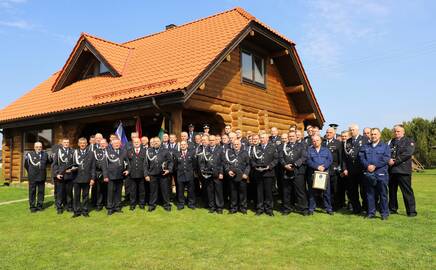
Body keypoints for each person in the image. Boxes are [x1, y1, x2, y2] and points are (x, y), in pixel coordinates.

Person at [359, 128, 391, 220]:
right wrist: (367, 165)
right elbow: (361, 157)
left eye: (375, 134)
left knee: (383, 194)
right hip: (369, 173)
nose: (373, 136)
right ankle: (371, 213)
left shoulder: (385, 146)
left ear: (379, 135)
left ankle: (384, 213)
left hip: (381, 174)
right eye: (372, 134)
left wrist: (375, 166)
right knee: (370, 194)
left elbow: (386, 158)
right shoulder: (365, 146)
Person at [388, 125, 417, 217]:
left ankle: (411, 211)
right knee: (392, 191)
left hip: (403, 170)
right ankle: (392, 208)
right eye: (395, 131)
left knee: (407, 191)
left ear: (403, 132)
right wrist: (388, 160)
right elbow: (386, 152)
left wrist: (395, 161)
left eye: (398, 131)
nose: (396, 133)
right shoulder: (391, 142)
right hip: (392, 170)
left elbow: (408, 153)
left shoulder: (409, 141)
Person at [279, 131, 308, 215]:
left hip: (298, 171)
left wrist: (295, 164)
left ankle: (303, 209)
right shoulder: (284, 146)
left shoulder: (301, 145)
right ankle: (287, 208)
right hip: (286, 171)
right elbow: (280, 157)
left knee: (300, 191)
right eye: (290, 136)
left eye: (293, 136)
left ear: (296, 137)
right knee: (286, 191)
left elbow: (304, 157)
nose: (291, 137)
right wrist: (285, 165)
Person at [342, 124, 369, 214]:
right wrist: (345, 168)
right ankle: (356, 208)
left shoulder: (364, 140)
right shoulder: (347, 141)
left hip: (361, 169)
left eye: (353, 130)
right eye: (350, 130)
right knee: (352, 191)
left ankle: (365, 208)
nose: (352, 131)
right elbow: (344, 157)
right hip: (351, 169)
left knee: (363, 190)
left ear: (357, 130)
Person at [250, 133, 278, 216]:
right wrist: (255, 166)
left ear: (267, 139)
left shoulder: (272, 147)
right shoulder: (255, 148)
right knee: (259, 192)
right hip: (258, 173)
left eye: (263, 138)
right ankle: (260, 209)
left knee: (268, 192)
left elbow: (276, 159)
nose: (261, 139)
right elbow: (252, 159)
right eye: (260, 138)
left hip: (268, 173)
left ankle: (269, 209)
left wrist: (269, 166)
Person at [144, 137, 173, 212]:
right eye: (154, 141)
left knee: (165, 191)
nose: (156, 142)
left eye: (157, 141)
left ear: (160, 142)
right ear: (152, 142)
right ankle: (152, 205)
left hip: (163, 174)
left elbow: (170, 161)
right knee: (153, 191)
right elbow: (145, 164)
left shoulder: (165, 150)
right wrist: (146, 174)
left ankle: (166, 205)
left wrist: (169, 170)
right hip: (152, 174)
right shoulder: (149, 151)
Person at [306, 135, 334, 215]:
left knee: (326, 192)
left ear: (320, 141)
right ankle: (311, 208)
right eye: (314, 141)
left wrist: (324, 166)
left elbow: (330, 159)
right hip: (313, 173)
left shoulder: (326, 150)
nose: (315, 142)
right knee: (312, 192)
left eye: (317, 140)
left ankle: (328, 208)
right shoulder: (309, 150)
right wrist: (317, 166)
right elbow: (308, 161)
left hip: (324, 173)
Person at [103, 138, 130, 215]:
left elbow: (128, 162)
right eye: (115, 143)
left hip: (120, 176)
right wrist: (105, 176)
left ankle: (117, 207)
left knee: (118, 192)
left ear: (120, 144)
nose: (116, 144)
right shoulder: (107, 152)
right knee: (111, 192)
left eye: (118, 143)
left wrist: (128, 170)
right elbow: (104, 165)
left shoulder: (123, 151)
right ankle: (110, 208)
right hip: (110, 176)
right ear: (112, 144)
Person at [198, 135, 224, 214]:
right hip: (208, 174)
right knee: (210, 191)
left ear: (216, 141)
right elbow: (202, 162)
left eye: (213, 140)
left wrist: (221, 173)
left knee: (218, 191)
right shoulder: (206, 149)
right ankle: (212, 207)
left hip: (217, 174)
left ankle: (219, 208)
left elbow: (223, 162)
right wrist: (203, 170)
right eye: (210, 140)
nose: (212, 141)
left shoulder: (220, 149)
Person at [223, 139, 250, 214]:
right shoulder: (229, 152)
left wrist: (246, 174)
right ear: (232, 145)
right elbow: (225, 163)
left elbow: (248, 165)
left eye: (237, 144)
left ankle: (243, 208)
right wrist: (228, 171)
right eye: (235, 144)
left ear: (240, 145)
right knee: (233, 193)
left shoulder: (245, 152)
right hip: (232, 176)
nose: (236, 146)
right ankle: (233, 208)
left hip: (242, 176)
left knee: (242, 193)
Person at [24, 142, 51, 212]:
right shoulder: (29, 154)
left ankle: (40, 206)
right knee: (32, 191)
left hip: (42, 176)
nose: (39, 148)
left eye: (40, 147)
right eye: (37, 147)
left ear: (42, 147)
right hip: (33, 176)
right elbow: (26, 165)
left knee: (41, 192)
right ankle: (32, 207)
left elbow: (48, 162)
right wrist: (31, 172)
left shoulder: (45, 154)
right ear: (34, 147)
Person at [72, 137, 96, 218]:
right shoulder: (74, 153)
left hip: (87, 178)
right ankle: (76, 211)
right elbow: (70, 165)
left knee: (85, 196)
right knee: (76, 196)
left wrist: (92, 178)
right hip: (76, 178)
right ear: (78, 144)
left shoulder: (91, 153)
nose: (82, 144)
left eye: (84, 143)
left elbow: (93, 167)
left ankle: (85, 210)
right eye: (81, 143)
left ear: (86, 144)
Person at [322, 127, 343, 211]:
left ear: (334, 133)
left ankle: (335, 205)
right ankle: (327, 204)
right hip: (323, 169)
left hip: (334, 169)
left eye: (330, 132)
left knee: (335, 188)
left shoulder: (338, 143)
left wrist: (340, 168)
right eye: (327, 132)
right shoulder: (322, 143)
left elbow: (341, 157)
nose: (328, 134)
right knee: (325, 189)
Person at [52, 138, 75, 214]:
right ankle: (59, 207)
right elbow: (55, 164)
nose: (66, 144)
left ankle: (69, 207)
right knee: (60, 192)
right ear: (62, 143)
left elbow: (75, 163)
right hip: (61, 175)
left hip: (70, 175)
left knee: (69, 192)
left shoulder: (72, 151)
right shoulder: (58, 151)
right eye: (65, 142)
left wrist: (72, 169)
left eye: (67, 142)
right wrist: (57, 173)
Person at [173, 141, 197, 210]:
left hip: (189, 175)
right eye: (181, 145)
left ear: (187, 145)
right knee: (180, 190)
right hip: (180, 175)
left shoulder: (191, 153)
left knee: (191, 190)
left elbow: (194, 164)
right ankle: (181, 203)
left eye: (184, 145)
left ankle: (191, 203)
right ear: (180, 146)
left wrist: (193, 172)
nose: (183, 146)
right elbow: (175, 165)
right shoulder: (177, 154)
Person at [127, 137, 147, 210]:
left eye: (137, 142)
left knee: (142, 190)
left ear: (140, 142)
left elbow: (146, 163)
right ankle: (132, 204)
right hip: (132, 174)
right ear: (133, 143)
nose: (136, 143)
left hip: (142, 174)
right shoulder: (129, 151)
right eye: (135, 142)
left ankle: (142, 204)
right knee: (133, 191)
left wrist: (146, 174)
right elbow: (127, 162)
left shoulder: (145, 151)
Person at [93, 138, 108, 211]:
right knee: (99, 190)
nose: (102, 144)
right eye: (101, 143)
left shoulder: (110, 151)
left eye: (104, 143)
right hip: (99, 173)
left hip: (108, 174)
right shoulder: (96, 151)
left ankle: (107, 203)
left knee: (108, 189)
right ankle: (99, 204)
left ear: (106, 143)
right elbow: (94, 163)